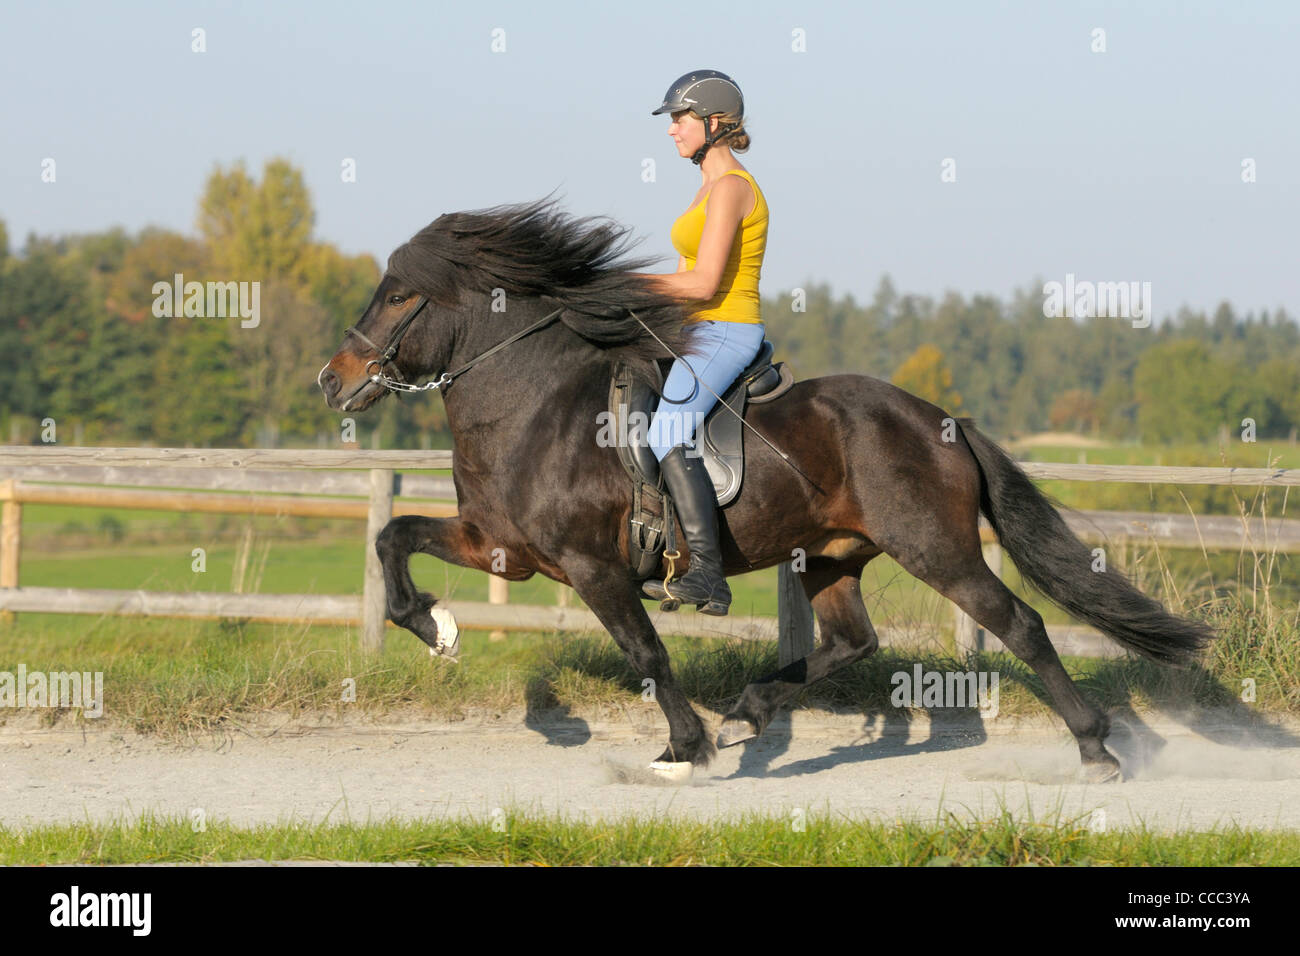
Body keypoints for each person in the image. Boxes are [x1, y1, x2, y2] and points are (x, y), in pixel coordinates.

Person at [635, 69, 769, 617]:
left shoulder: (734, 188)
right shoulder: (706, 188)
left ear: (714, 123)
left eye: (679, 118)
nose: (671, 130)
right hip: (696, 328)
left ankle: (709, 575)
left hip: (727, 329)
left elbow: (704, 284)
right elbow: (682, 279)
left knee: (667, 430)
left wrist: (623, 285)